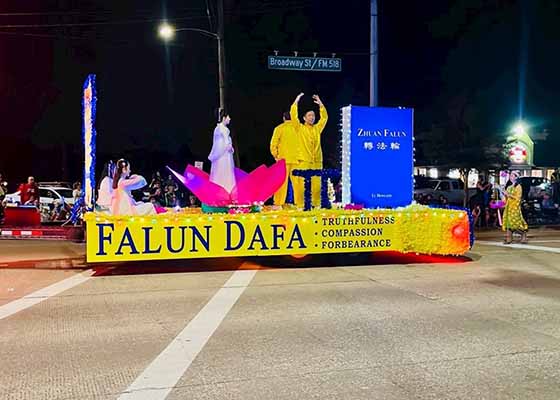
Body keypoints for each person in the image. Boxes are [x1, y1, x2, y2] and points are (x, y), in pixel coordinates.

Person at [290, 93, 328, 207]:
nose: (312, 117)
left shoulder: (317, 128)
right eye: (309, 115)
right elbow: (293, 115)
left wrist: (321, 104)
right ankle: (300, 205)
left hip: (317, 161)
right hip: (304, 161)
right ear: (304, 118)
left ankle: (316, 204)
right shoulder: (299, 128)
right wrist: (296, 101)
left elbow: (325, 118)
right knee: (301, 184)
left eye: (313, 115)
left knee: (317, 184)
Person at [270, 111, 300, 206]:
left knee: (281, 183)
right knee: (298, 183)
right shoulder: (298, 128)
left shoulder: (279, 128)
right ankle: (300, 204)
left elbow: (273, 143)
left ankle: (278, 204)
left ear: (284, 118)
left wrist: (275, 155)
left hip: (283, 159)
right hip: (297, 160)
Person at [208, 109, 236, 193]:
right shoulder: (223, 128)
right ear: (224, 118)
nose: (229, 119)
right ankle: (227, 190)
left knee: (219, 172)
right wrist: (229, 147)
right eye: (228, 117)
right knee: (225, 171)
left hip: (222, 154)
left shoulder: (218, 128)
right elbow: (226, 141)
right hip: (224, 155)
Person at [502, 170, 528, 244]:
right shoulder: (509, 187)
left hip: (514, 207)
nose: (510, 177)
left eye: (512, 176)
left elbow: (518, 198)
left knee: (515, 223)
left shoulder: (518, 186)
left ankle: (523, 234)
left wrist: (507, 194)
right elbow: (506, 197)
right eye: (510, 176)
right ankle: (509, 239)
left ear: (516, 177)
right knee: (508, 223)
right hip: (508, 207)